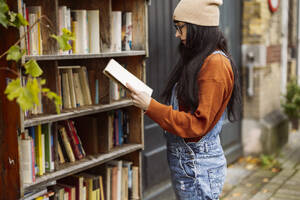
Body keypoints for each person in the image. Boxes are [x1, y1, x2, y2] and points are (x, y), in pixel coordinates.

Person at [127, 0, 242, 199]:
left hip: (197, 168)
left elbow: (198, 125)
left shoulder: (215, 64)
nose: (177, 34)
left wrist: (150, 106)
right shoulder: (201, 59)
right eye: (176, 27)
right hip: (190, 165)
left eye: (181, 28)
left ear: (199, 27)